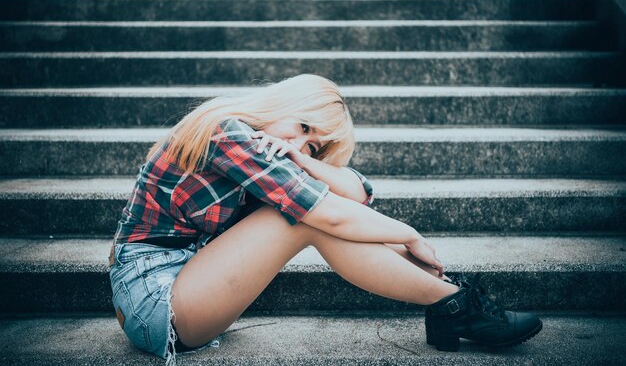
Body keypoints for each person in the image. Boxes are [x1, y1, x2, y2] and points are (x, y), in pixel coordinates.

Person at [107, 74, 542, 365]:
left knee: (311, 209)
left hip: (189, 281)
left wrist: (304, 158)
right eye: (302, 125)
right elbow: (329, 213)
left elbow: (356, 194)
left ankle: (452, 300)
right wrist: (409, 234)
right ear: (285, 102)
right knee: (303, 217)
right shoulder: (226, 131)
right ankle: (454, 304)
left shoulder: (271, 148)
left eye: (313, 144)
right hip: (155, 300)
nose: (298, 141)